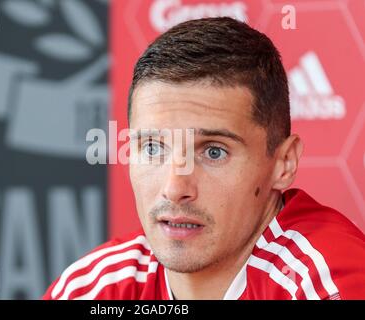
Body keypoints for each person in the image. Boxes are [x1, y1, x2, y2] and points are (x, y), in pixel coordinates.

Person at [43, 17, 365, 300]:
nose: (174, 187)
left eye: (213, 151)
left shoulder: (325, 286)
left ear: (284, 163)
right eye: (153, 148)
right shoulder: (94, 290)